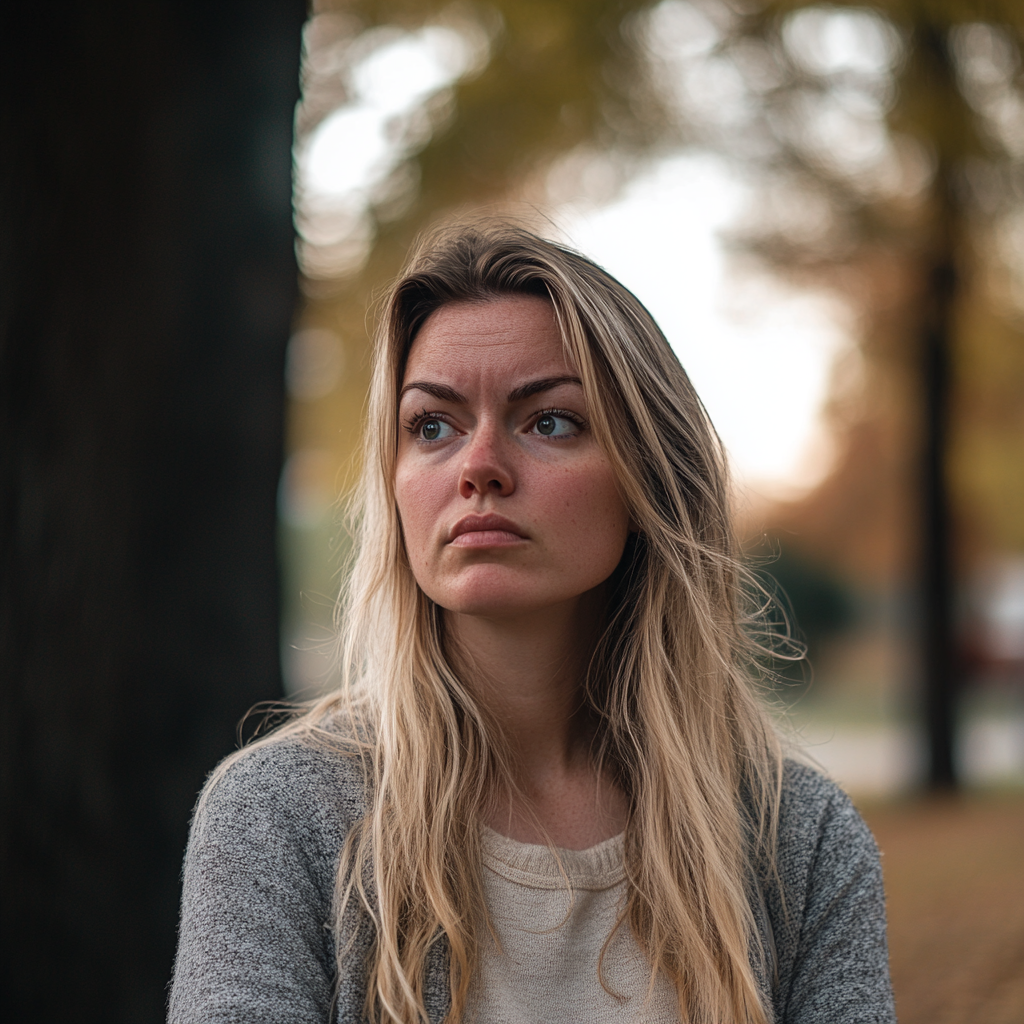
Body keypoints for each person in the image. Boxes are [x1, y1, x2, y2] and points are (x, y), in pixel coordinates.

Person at [168, 222, 896, 1024]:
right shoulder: (278, 819)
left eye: (548, 420)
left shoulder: (800, 841)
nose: (478, 466)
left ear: (648, 477)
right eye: (432, 426)